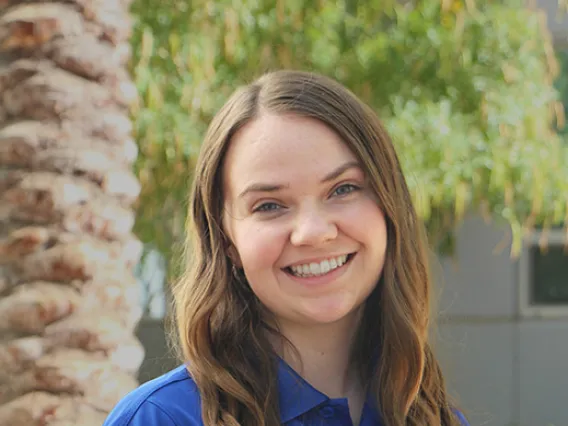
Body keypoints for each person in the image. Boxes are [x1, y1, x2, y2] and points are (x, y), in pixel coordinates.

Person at [103, 70, 469, 426]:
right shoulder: (158, 419)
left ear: (389, 207)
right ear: (227, 241)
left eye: (343, 189)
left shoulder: (434, 418)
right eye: (269, 205)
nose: (312, 232)